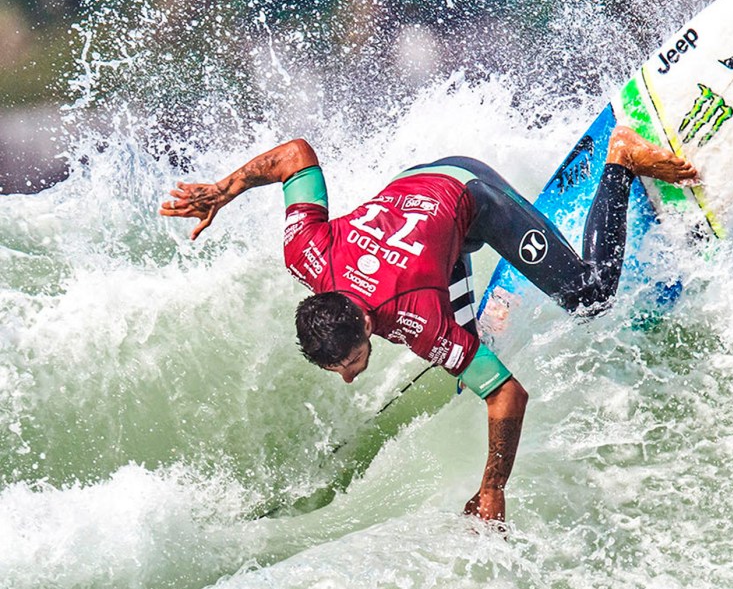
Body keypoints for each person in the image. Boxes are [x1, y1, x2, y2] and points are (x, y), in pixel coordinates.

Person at [159, 128, 696, 523]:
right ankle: (470, 321)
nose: (349, 377)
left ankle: (621, 161)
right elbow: (296, 155)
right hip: (416, 184)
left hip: (470, 193)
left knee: (591, 295)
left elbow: (509, 395)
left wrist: (492, 489)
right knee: (466, 357)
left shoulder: (419, 319)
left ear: (366, 325)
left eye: (349, 364)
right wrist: (221, 192)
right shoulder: (306, 253)